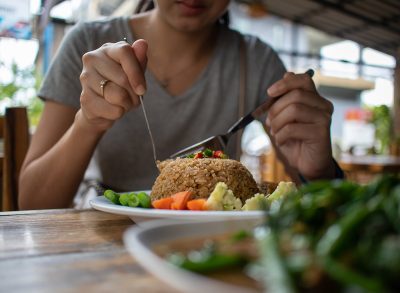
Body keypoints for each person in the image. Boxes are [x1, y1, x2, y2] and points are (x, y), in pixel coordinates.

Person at [18, 0, 339, 210]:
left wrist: (320, 171)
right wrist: (88, 122)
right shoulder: (88, 44)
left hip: (212, 245)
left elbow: (325, 213)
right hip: (102, 237)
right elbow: (31, 205)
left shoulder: (256, 61)